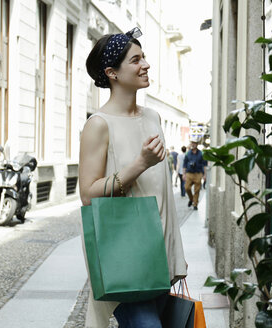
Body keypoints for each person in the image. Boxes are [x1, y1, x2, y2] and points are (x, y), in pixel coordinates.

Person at [79, 27, 187, 328]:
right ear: (112, 73)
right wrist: (140, 163)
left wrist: (175, 255)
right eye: (136, 60)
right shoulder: (98, 125)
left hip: (159, 255)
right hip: (126, 256)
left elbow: (163, 195)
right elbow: (87, 193)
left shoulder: (153, 117)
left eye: (145, 57)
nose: (146, 65)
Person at [183, 140, 207, 210]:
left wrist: (205, 175)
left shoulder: (201, 153)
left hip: (198, 173)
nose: (193, 144)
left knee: (197, 190)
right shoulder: (188, 153)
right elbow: (184, 164)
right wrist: (184, 174)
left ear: (197, 144)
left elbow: (205, 165)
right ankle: (191, 199)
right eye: (192, 143)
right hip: (189, 173)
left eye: (194, 143)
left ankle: (195, 204)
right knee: (187, 188)